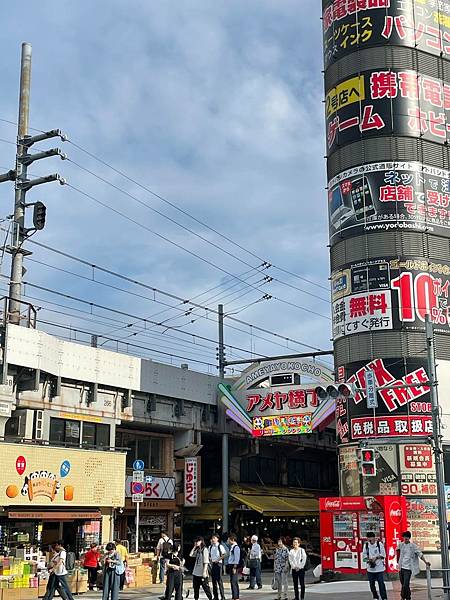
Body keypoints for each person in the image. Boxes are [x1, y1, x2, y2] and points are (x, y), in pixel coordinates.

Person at [396, 531, 431, 600]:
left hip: (408, 568)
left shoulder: (413, 546)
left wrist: (425, 562)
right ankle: (408, 597)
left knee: (406, 584)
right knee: (403, 584)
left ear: (409, 538)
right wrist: (397, 561)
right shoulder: (401, 545)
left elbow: (420, 554)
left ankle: (403, 597)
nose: (405, 540)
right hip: (401, 567)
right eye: (404, 538)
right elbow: (398, 552)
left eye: (406, 539)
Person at [364, 532, 387, 600]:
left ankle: (384, 597)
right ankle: (375, 596)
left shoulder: (379, 544)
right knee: (372, 585)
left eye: (371, 538)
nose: (370, 540)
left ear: (374, 538)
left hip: (379, 569)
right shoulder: (366, 545)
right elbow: (364, 557)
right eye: (368, 538)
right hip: (370, 569)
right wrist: (369, 560)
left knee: (381, 584)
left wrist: (376, 558)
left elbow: (383, 555)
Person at [209, 534, 226, 600]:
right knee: (213, 581)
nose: (213, 539)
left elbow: (224, 554)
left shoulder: (220, 546)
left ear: (217, 539)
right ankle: (215, 596)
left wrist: (218, 560)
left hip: (218, 564)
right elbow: (209, 555)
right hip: (213, 564)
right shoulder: (210, 547)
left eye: (214, 538)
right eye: (212, 538)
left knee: (219, 581)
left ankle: (222, 596)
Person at [227, 534, 240, 600]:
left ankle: (236, 596)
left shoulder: (236, 547)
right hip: (231, 565)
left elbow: (237, 558)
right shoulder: (232, 547)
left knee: (234, 581)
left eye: (229, 539)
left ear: (232, 540)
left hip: (234, 565)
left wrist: (235, 567)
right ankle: (234, 595)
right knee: (232, 581)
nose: (228, 541)